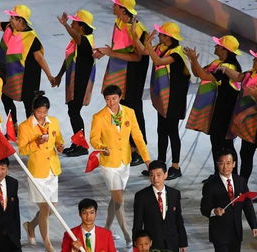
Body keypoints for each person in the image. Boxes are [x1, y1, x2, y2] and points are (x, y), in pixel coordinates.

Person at [200, 148, 257, 252]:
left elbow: (247, 205)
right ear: (217, 164)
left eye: (228, 163)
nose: (225, 166)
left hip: (236, 233)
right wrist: (213, 211)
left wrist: (253, 225)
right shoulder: (211, 184)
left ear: (233, 164)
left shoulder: (240, 181)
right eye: (221, 163)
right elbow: (204, 208)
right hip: (219, 234)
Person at [90, 84, 150, 248]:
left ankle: (106, 229)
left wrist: (146, 159)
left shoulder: (129, 112)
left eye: (114, 99)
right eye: (107, 100)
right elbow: (93, 139)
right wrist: (102, 147)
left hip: (124, 161)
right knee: (119, 200)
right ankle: (128, 235)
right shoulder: (99, 117)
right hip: (109, 164)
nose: (111, 103)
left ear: (120, 97)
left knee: (115, 200)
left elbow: (137, 136)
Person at [0, 1, 56, 122]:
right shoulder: (10, 27)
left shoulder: (32, 38)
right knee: (6, 98)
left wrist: (49, 76)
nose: (10, 19)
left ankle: (31, 130)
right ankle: (13, 126)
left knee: (29, 105)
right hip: (9, 73)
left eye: (13, 17)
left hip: (28, 78)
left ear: (21, 21)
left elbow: (40, 58)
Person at [134, 21, 190, 179]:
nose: (159, 35)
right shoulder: (160, 47)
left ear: (169, 38)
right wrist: (143, 41)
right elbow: (146, 52)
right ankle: (160, 165)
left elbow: (158, 61)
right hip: (163, 97)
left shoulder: (176, 54)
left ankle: (175, 167)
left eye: (162, 34)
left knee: (172, 132)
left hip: (174, 98)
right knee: (161, 131)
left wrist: (148, 45)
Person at [97, 0, 150, 165]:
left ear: (122, 9)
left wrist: (111, 53)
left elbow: (137, 57)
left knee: (134, 110)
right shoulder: (119, 22)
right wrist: (106, 53)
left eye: (115, 5)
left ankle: (140, 150)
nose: (112, 7)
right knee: (122, 108)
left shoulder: (139, 30)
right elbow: (117, 48)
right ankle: (128, 145)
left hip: (133, 74)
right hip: (120, 70)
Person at [184, 35, 241, 182]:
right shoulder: (218, 63)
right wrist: (193, 60)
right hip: (216, 112)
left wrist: (194, 60)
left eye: (218, 45)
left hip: (225, 114)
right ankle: (219, 175)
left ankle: (232, 177)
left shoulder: (229, 68)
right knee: (216, 144)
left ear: (225, 50)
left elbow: (204, 75)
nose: (215, 47)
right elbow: (198, 73)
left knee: (226, 146)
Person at [17, 91, 64, 252]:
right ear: (33, 110)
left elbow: (58, 139)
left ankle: (30, 226)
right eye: (39, 112)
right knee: (45, 208)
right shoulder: (24, 127)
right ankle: (47, 243)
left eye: (44, 112)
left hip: (52, 170)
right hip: (37, 172)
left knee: (51, 208)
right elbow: (22, 150)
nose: (42, 115)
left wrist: (60, 146)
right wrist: (36, 142)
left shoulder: (54, 122)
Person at [55, 9, 95, 157]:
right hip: (74, 80)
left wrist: (65, 25)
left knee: (74, 111)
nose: (72, 24)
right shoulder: (77, 41)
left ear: (82, 26)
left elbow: (77, 36)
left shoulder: (86, 40)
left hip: (82, 82)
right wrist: (59, 76)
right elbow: (69, 59)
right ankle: (77, 142)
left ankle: (82, 145)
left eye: (74, 23)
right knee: (72, 110)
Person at [219, 50, 257, 188]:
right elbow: (239, 77)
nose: (254, 61)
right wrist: (225, 69)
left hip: (256, 125)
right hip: (247, 127)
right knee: (245, 155)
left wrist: (255, 96)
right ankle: (242, 187)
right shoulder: (251, 74)